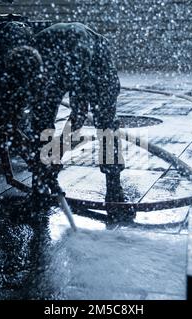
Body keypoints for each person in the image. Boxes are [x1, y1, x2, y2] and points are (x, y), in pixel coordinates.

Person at [16, 23, 134, 221]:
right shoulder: (31, 52)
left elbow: (78, 115)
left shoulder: (78, 54)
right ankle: (40, 188)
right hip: (59, 67)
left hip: (98, 68)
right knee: (41, 121)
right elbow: (35, 110)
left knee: (106, 127)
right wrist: (39, 154)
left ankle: (114, 191)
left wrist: (58, 151)